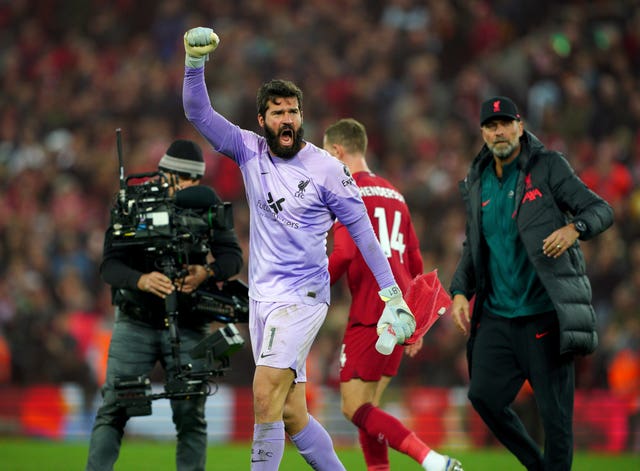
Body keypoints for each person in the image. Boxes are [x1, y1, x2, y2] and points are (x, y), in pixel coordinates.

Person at [182, 28, 417, 471]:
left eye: (293, 111)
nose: (287, 120)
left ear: (301, 115)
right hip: (262, 297)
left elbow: (362, 229)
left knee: (263, 390)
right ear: (262, 120)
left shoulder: (327, 170)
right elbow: (197, 110)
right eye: (277, 113)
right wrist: (195, 64)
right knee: (291, 412)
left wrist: (391, 294)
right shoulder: (248, 150)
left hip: (303, 297)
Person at [450, 96, 614, 470]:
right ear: (482, 133)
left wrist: (575, 228)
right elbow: (474, 247)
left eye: (506, 123)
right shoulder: (477, 180)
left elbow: (601, 210)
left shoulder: (548, 167)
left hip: (544, 315)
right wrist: (460, 291)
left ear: (520, 127)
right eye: (491, 126)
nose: (499, 131)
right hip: (497, 317)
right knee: (483, 396)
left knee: (556, 419)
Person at [85, 139, 244, 471]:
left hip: (188, 321)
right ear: (165, 175)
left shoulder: (206, 204)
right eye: (184, 180)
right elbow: (109, 266)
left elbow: (232, 257)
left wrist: (206, 272)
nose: (191, 188)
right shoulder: (131, 203)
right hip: (136, 322)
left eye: (195, 181)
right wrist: (141, 280)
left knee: (191, 416)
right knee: (114, 409)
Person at [323, 118, 464, 471]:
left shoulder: (346, 189)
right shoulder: (395, 194)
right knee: (368, 409)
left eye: (326, 154)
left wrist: (310, 288)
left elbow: (342, 254)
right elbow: (415, 262)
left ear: (338, 151)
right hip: (400, 312)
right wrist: (415, 322)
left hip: (371, 311)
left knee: (353, 407)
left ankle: (431, 460)